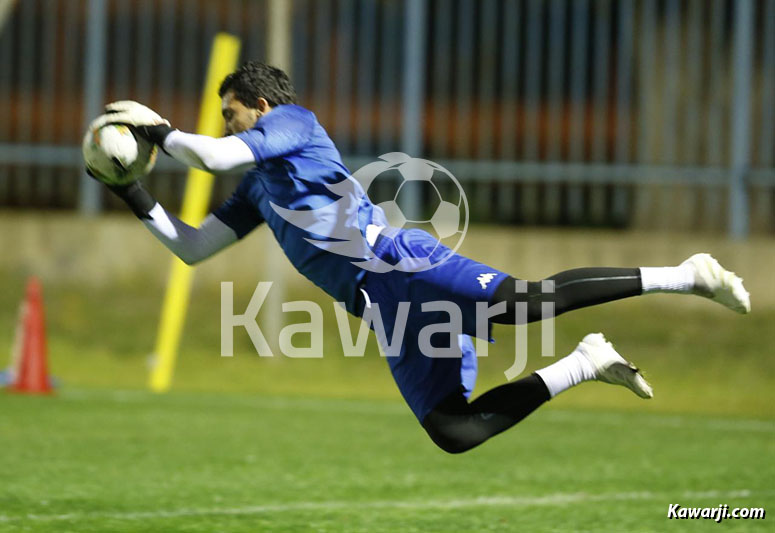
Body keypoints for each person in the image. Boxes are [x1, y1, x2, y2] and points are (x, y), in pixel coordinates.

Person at [88, 62, 750, 454]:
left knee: (523, 303)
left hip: (398, 261)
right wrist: (128, 189)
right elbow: (192, 248)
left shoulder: (294, 123)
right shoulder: (258, 190)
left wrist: (159, 130)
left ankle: (686, 274)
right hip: (385, 310)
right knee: (453, 431)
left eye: (230, 113)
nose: (227, 124)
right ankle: (585, 362)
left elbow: (210, 155)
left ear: (260, 107)